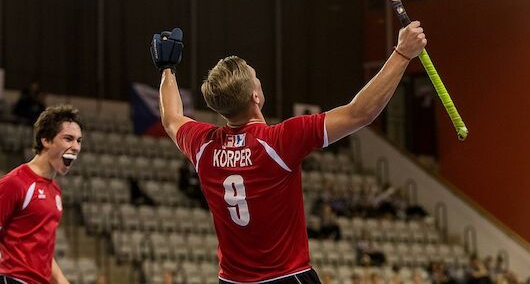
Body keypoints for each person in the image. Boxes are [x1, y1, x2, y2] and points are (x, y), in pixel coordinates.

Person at [152, 22, 426, 283]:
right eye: (256, 78)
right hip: (286, 277)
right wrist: (402, 54)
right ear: (254, 97)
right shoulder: (278, 142)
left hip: (233, 281)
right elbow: (360, 113)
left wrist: (167, 69)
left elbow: (171, 118)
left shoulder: (204, 147)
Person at [0, 104, 83, 284]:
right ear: (46, 140)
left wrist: (62, 280)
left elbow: (41, 248)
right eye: (68, 139)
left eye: (79, 141)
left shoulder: (55, 190)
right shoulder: (15, 182)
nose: (75, 146)